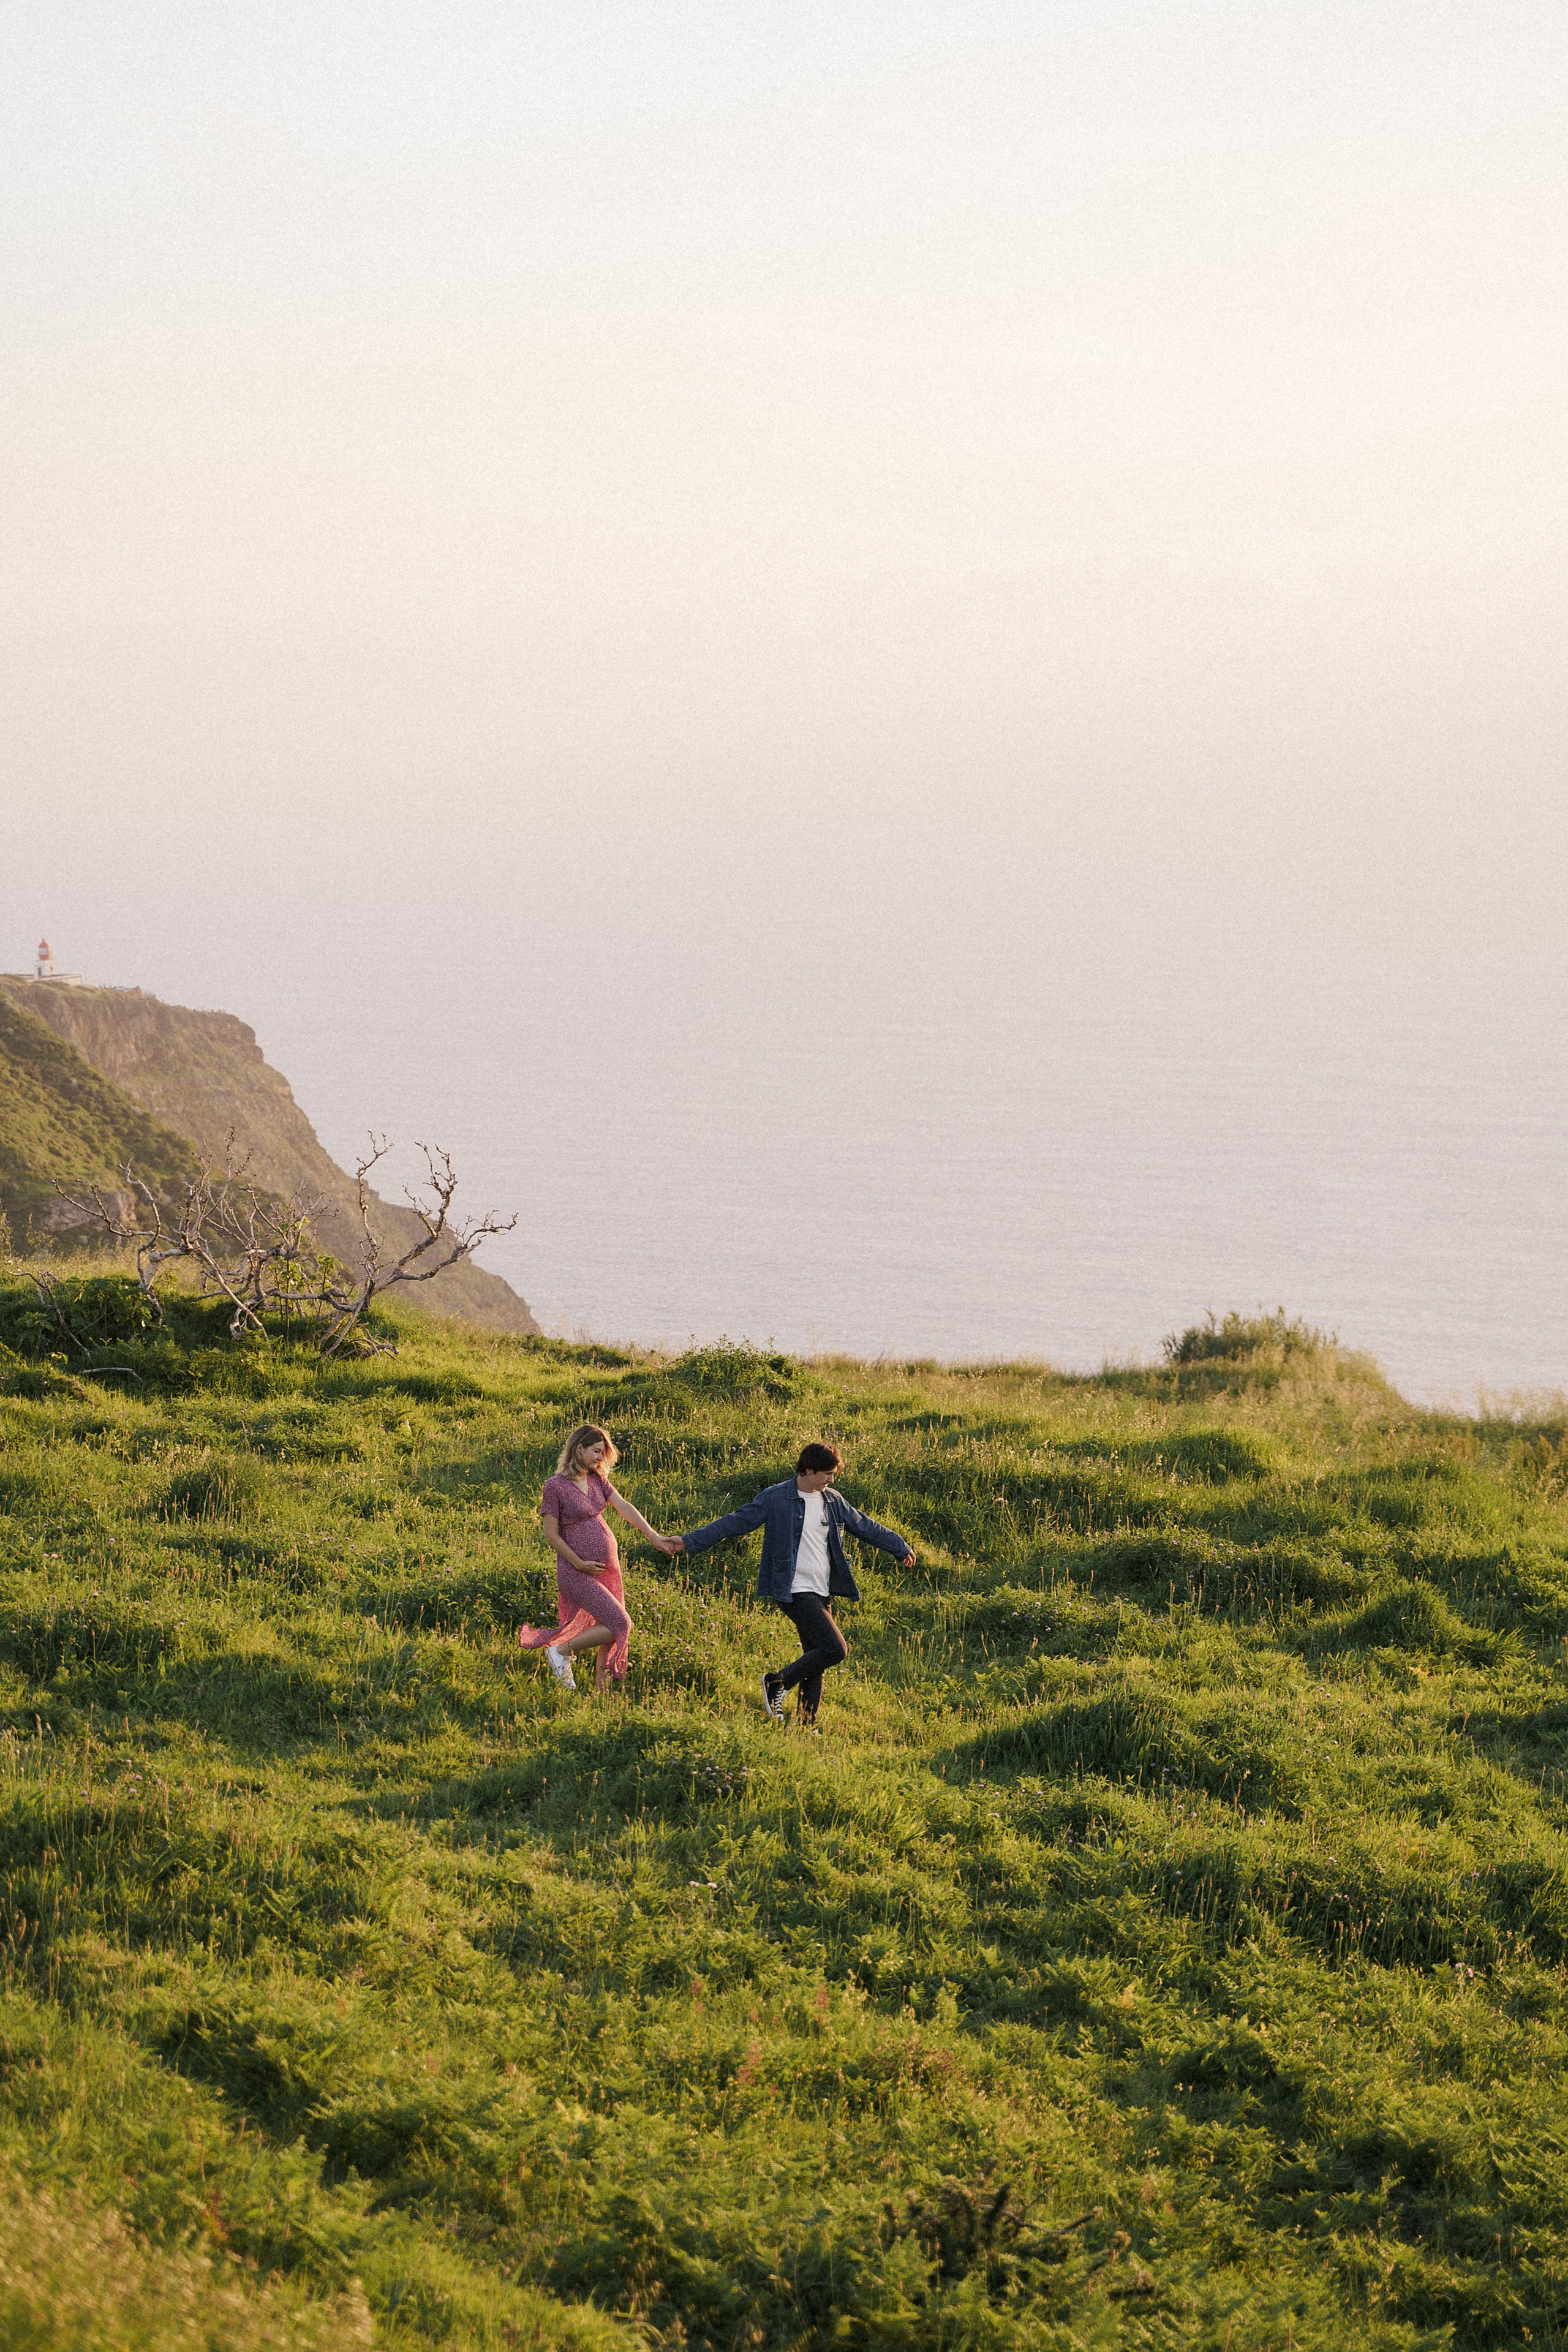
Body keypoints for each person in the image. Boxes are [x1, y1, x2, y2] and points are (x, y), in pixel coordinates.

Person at [669, 1442, 914, 1727]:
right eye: (828, 1473)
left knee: (816, 1657)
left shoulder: (832, 1501)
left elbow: (866, 1526)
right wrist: (689, 1541)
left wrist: (900, 1547)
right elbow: (735, 1523)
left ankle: (807, 1724)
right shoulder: (776, 1498)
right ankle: (777, 1682)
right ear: (808, 1470)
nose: (832, 1479)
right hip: (792, 1588)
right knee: (836, 1650)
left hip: (821, 1589)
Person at [518, 1424, 677, 1693]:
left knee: (611, 1627)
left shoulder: (596, 1479)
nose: (600, 1459)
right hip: (576, 1571)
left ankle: (601, 1695)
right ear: (579, 1449)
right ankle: (560, 1651)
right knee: (622, 1622)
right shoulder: (555, 1486)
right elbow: (551, 1534)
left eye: (602, 1453)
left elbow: (624, 1506)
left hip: (606, 1569)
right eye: (596, 1452)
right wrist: (578, 1563)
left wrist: (653, 1536)